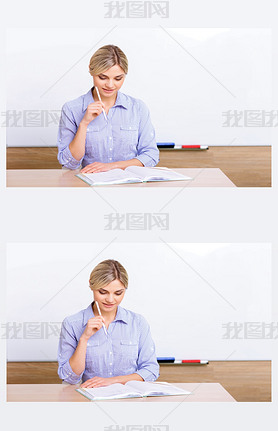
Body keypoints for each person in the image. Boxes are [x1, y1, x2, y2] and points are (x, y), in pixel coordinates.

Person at [57, 44, 159, 172]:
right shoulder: (72, 109)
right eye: (102, 77)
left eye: (118, 78)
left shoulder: (138, 108)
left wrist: (111, 167)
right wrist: (84, 123)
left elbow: (150, 156)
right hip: (90, 185)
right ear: (91, 70)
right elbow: (69, 163)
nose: (110, 85)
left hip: (130, 184)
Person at [57, 259, 160, 388]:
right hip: (90, 399)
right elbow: (70, 378)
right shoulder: (72, 324)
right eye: (103, 292)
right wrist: (84, 338)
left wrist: (113, 381)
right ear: (91, 285)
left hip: (130, 398)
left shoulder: (138, 323)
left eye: (118, 293)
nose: (110, 299)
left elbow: (151, 370)